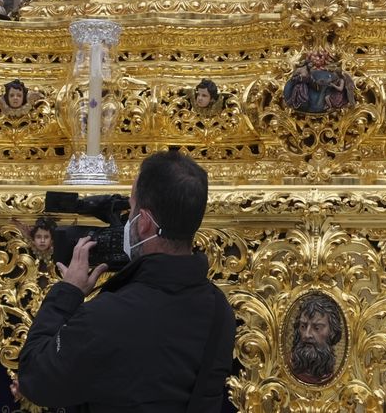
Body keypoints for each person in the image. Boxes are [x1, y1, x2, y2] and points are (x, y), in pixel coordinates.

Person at [15, 151, 235, 411]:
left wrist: (68, 292)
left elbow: (35, 378)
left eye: (130, 210)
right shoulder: (221, 311)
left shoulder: (106, 316)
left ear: (143, 223)